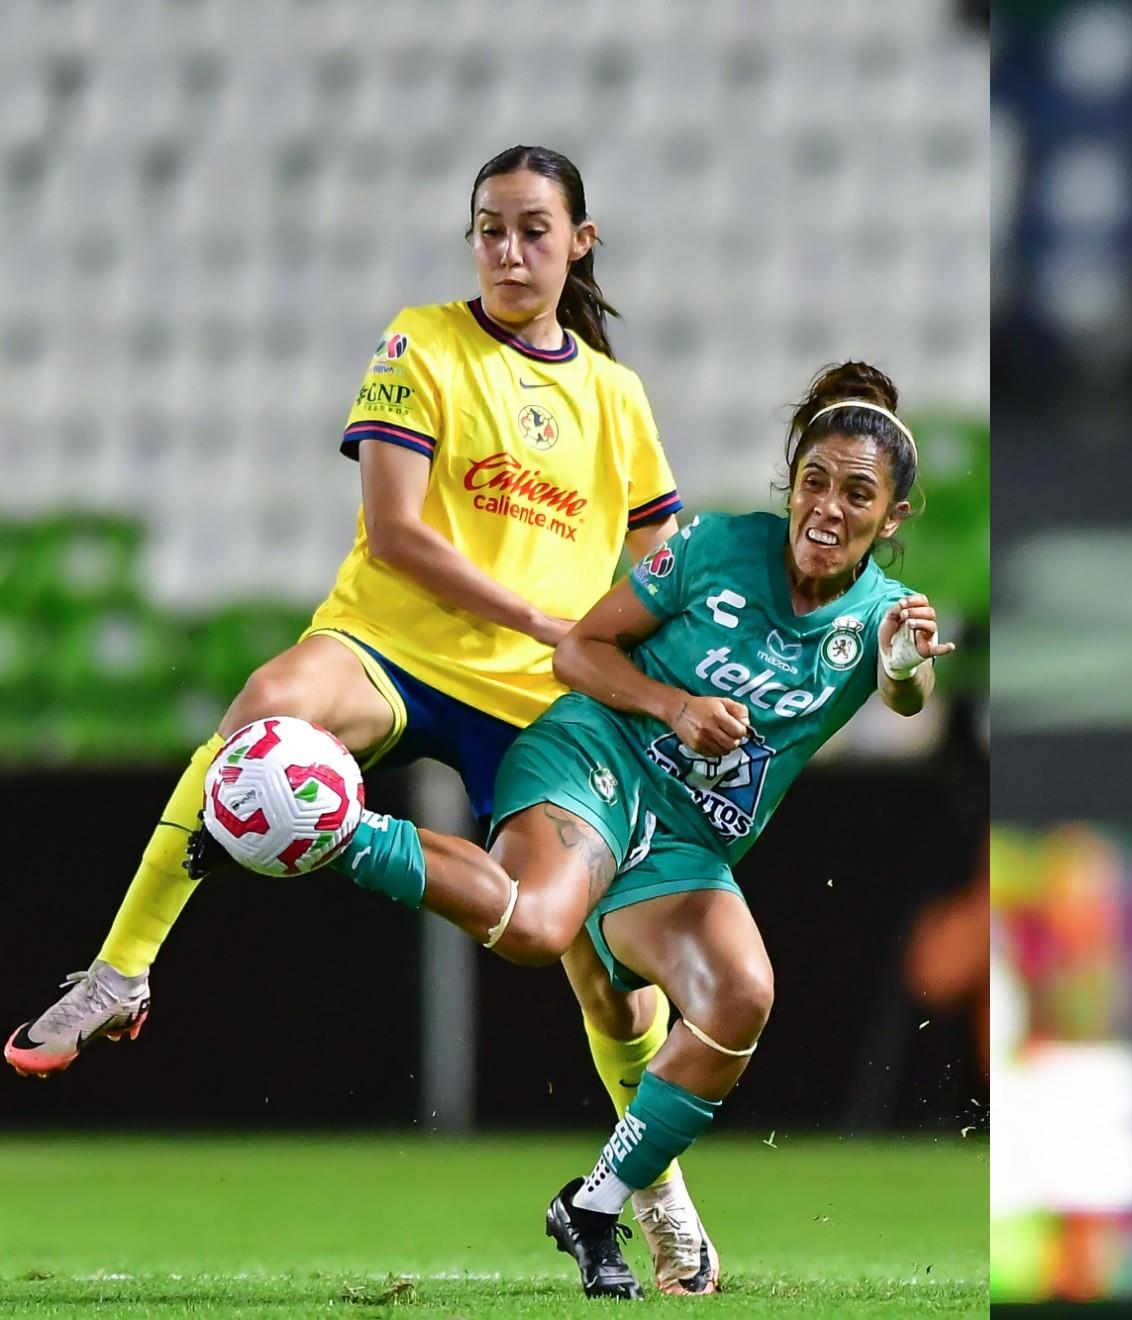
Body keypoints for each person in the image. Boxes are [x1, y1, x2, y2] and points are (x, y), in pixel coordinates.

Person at [7, 143, 717, 1292]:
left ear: (580, 242)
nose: (509, 249)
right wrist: (549, 620)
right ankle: (121, 971)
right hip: (394, 644)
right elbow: (395, 533)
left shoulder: (615, 398)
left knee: (595, 962)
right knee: (263, 714)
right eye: (490, 226)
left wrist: (661, 686)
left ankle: (657, 1188)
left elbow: (655, 567)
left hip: (537, 698)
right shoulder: (422, 341)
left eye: (535, 228)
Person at [321, 361, 954, 1300]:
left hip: (684, 845)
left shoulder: (877, 622)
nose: (827, 507)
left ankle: (595, 1202)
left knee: (738, 994)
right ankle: (332, 827)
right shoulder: (715, 547)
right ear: (794, 483)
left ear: (893, 517)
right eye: (814, 481)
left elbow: (907, 694)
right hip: (597, 760)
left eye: (857, 493)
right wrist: (673, 707)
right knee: (537, 929)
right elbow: (579, 648)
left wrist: (903, 666)